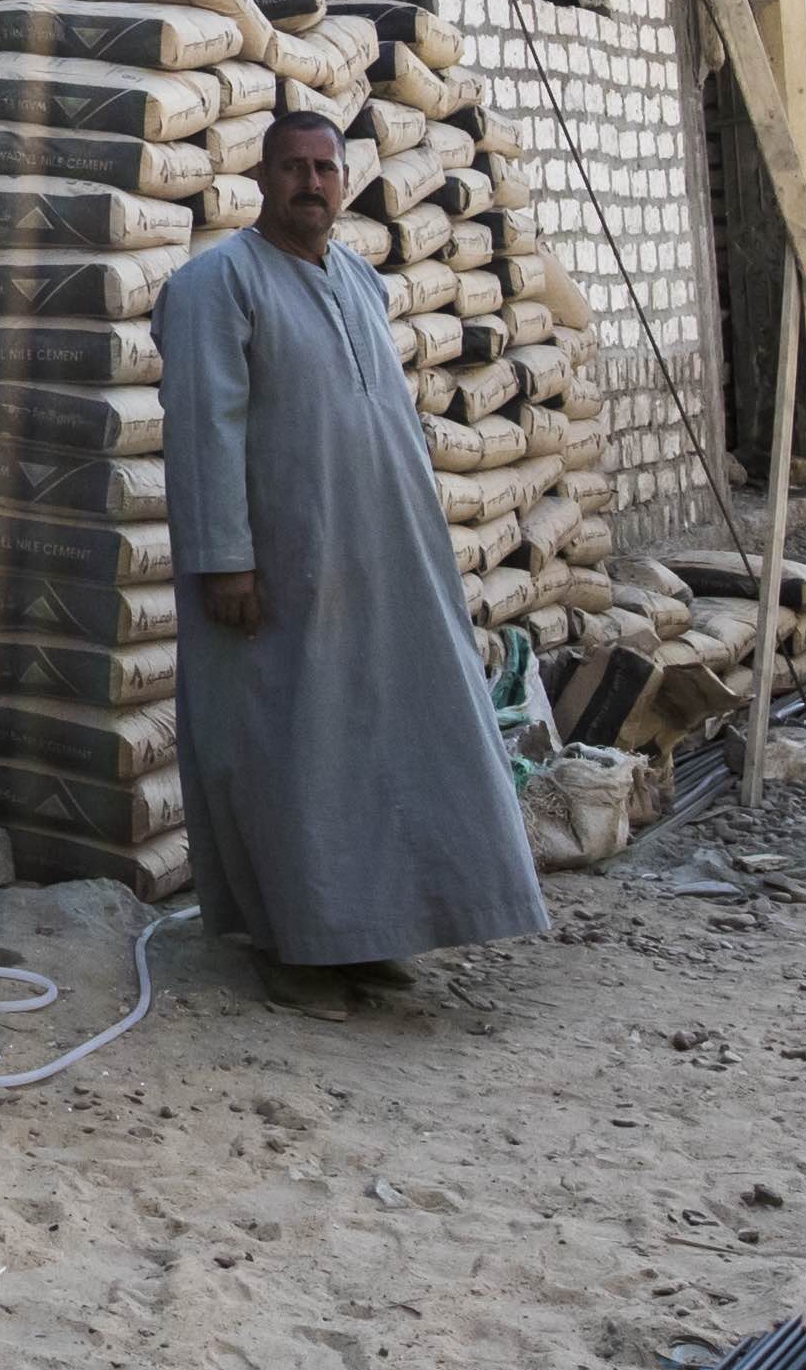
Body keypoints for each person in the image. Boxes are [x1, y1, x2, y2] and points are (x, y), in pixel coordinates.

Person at [157, 108, 554, 1011]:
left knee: (377, 747)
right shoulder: (217, 286)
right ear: (263, 179)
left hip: (377, 571)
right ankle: (295, 948)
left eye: (325, 168)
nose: (310, 182)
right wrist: (226, 561)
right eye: (293, 167)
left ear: (346, 182)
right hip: (273, 574)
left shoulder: (363, 286)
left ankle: (365, 934)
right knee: (284, 751)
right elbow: (203, 433)